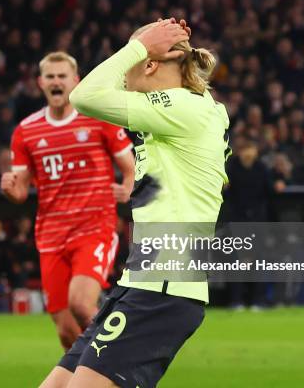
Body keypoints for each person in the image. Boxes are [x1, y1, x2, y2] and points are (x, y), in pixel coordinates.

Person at [40, 19, 230, 388]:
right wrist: (145, 47)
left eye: (130, 64)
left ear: (149, 64)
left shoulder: (181, 107)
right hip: (140, 283)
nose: (122, 76)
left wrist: (139, 46)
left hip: (164, 289)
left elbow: (83, 97)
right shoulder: (192, 108)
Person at [1, 52, 135, 350]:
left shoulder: (98, 118)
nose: (56, 81)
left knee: (81, 305)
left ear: (75, 81)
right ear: (40, 83)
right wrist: (10, 189)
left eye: (62, 76)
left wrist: (127, 187)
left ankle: (121, 362)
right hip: (51, 235)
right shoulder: (26, 130)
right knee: (65, 331)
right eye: (50, 76)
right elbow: (21, 192)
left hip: (94, 227)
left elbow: (129, 166)